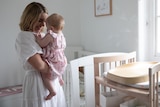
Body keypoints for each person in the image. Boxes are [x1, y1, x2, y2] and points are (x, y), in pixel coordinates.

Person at [15, 2, 66, 107]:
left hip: (52, 80)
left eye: (45, 21)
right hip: (37, 82)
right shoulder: (24, 37)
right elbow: (40, 66)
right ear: (30, 18)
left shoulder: (44, 35)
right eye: (40, 20)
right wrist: (57, 68)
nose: (43, 25)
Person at [35, 13, 67, 100]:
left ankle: (52, 91)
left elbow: (42, 44)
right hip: (61, 60)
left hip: (53, 59)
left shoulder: (51, 35)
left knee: (45, 75)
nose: (46, 29)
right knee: (57, 70)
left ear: (51, 28)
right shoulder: (61, 36)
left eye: (47, 27)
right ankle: (60, 79)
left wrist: (38, 38)